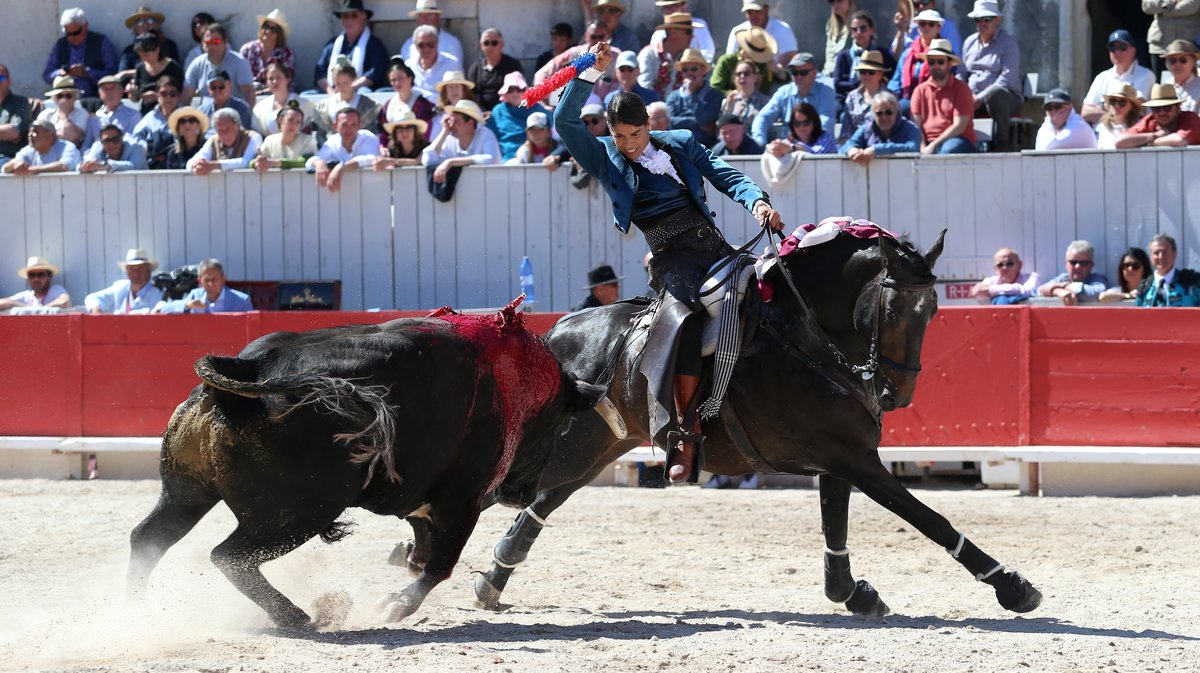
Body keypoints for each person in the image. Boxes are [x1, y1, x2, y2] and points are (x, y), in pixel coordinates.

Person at [555, 41, 783, 484]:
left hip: (714, 247)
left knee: (772, 289)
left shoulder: (679, 142)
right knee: (686, 321)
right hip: (671, 259)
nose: (627, 145)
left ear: (648, 127)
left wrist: (756, 202)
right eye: (619, 137)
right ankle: (684, 432)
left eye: (634, 136)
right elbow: (564, 121)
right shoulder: (605, 157)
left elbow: (725, 174)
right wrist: (588, 70)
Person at [960, 1, 1022, 152]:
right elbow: (961, 73)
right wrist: (961, 92)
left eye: (986, 19)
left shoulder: (1009, 43)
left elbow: (1006, 80)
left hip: (1005, 98)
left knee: (996, 94)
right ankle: (959, 144)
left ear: (997, 20)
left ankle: (1002, 144)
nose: (981, 23)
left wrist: (978, 98)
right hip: (972, 99)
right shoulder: (969, 43)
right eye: (978, 19)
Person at [751, 53, 837, 146]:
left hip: (817, 150)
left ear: (815, 72)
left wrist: (808, 147)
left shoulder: (826, 92)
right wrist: (759, 142)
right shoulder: (784, 92)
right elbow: (763, 117)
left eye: (803, 73)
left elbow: (826, 123)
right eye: (794, 73)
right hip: (787, 151)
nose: (798, 77)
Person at [911, 39, 977, 154]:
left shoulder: (962, 89)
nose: (935, 66)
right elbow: (916, 127)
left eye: (940, 61)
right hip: (929, 142)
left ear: (950, 64)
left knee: (947, 150)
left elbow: (960, 126)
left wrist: (933, 146)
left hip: (959, 140)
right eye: (932, 62)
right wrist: (922, 147)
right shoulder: (919, 90)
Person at [1081, 30, 1157, 124]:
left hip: (1130, 133)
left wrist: (1103, 108)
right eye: (1113, 48)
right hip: (1102, 135)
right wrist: (1118, 109)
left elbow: (1136, 107)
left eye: (1122, 47)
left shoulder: (1146, 75)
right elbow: (1085, 112)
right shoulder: (1102, 77)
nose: (1117, 52)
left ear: (1133, 51)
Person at [315, 0, 390, 94]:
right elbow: (319, 72)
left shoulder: (374, 45)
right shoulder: (332, 45)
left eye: (354, 15)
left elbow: (376, 72)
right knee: (306, 95)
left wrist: (350, 87)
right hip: (333, 92)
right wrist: (330, 91)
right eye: (345, 16)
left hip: (359, 91)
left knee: (364, 92)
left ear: (364, 17)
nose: (349, 20)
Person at [43, 8, 117, 100]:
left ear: (86, 26)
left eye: (76, 33)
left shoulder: (102, 43)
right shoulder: (61, 44)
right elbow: (47, 75)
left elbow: (113, 75)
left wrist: (86, 73)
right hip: (65, 99)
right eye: (68, 34)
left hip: (94, 100)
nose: (71, 37)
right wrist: (62, 73)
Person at [306, 108, 382, 193]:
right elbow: (311, 162)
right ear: (335, 126)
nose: (349, 129)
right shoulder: (333, 141)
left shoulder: (368, 137)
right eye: (344, 125)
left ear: (359, 126)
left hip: (371, 191)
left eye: (353, 124)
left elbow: (373, 158)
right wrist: (319, 163)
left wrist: (342, 167)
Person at [889, 8, 948, 116]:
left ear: (939, 28)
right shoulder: (908, 53)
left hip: (934, 100)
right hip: (907, 100)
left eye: (931, 24)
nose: (926, 27)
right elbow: (896, 81)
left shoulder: (945, 52)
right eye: (922, 24)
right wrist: (891, 99)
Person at [182, 23, 256, 107]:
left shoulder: (239, 62)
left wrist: (247, 116)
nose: (212, 46)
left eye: (216, 42)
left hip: (233, 114)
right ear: (202, 44)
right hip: (206, 113)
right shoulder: (197, 64)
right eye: (208, 42)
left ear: (225, 42)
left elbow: (249, 95)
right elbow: (185, 97)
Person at [832, 11, 896, 107]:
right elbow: (837, 83)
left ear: (871, 30)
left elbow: (894, 76)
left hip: (877, 97)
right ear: (851, 33)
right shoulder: (843, 56)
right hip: (845, 97)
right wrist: (859, 85)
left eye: (863, 28)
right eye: (854, 29)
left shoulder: (882, 54)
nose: (859, 32)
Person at [841, 90, 921, 164]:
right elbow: (845, 146)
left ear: (897, 112)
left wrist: (877, 150)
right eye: (879, 113)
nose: (884, 117)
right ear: (873, 115)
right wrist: (851, 150)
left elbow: (913, 148)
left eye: (888, 112)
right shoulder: (866, 129)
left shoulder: (911, 129)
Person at [488, 72, 552, 161]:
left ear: (525, 90)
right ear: (505, 92)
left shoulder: (537, 108)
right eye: (510, 90)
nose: (515, 94)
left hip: (535, 158)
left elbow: (552, 128)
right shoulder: (497, 111)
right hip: (507, 160)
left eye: (518, 89)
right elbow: (490, 137)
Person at [313, 61, 381, 144]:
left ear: (353, 80)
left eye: (345, 83)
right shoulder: (325, 105)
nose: (342, 87)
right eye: (338, 83)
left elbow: (373, 133)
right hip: (333, 148)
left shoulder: (368, 105)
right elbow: (321, 134)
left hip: (360, 147)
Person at [666, 49, 723, 147]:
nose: (689, 73)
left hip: (706, 147)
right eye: (685, 70)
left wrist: (691, 94)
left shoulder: (715, 95)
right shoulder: (673, 96)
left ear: (703, 70)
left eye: (693, 69)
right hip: (678, 145)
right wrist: (698, 125)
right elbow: (669, 121)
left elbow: (705, 119)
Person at [1115, 83, 1200, 148]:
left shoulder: (1190, 118)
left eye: (1167, 107)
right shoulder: (1150, 120)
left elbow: (1180, 140)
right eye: (1157, 109)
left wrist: (1151, 143)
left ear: (1178, 108)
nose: (1162, 112)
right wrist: (1155, 135)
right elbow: (1119, 141)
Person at [154, 259, 252, 313]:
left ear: (223, 278)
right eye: (207, 280)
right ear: (199, 281)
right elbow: (164, 309)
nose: (211, 284)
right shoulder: (195, 295)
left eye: (214, 279)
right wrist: (187, 305)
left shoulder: (242, 300)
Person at [83, 248, 164, 314]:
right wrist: (96, 307)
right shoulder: (121, 288)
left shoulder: (159, 291)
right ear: (127, 271)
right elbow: (91, 298)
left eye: (140, 269)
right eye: (132, 269)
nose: (136, 273)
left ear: (148, 270)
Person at [377, 57, 436, 144]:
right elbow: (383, 132)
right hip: (393, 151)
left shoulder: (423, 104)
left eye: (400, 78)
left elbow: (426, 131)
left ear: (410, 78)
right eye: (393, 80)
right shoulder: (388, 105)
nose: (397, 83)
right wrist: (383, 147)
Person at [186, 108, 262, 175]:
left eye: (227, 129)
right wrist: (197, 165)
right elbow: (191, 162)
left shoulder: (253, 137)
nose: (224, 134)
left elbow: (245, 162)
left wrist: (214, 165)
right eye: (220, 130)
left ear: (238, 126)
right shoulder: (213, 140)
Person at [724, 1, 798, 69]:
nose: (753, 16)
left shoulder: (782, 30)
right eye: (749, 12)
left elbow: (789, 58)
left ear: (766, 10)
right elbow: (730, 59)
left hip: (777, 80)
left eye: (757, 11)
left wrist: (775, 71)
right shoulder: (737, 31)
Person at [711, 27, 783, 96]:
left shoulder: (765, 64)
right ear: (743, 50)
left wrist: (778, 71)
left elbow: (787, 81)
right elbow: (714, 88)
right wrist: (733, 95)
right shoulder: (727, 61)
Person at [838, 50, 890, 144]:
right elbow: (845, 132)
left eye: (871, 72)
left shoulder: (890, 98)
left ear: (880, 74)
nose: (866, 76)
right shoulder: (852, 97)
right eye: (862, 72)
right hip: (854, 149)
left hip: (880, 148)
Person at [638, 13, 693, 101]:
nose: (692, 36)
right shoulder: (649, 54)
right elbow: (644, 88)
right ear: (673, 33)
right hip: (652, 110)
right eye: (689, 32)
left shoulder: (690, 57)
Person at [127, 32, 184, 115]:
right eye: (141, 56)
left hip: (170, 112)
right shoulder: (140, 68)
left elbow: (181, 93)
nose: (143, 59)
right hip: (147, 113)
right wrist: (133, 93)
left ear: (157, 50)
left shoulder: (173, 67)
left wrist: (159, 96)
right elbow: (135, 98)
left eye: (146, 55)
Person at [468, 28, 524, 113]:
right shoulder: (475, 68)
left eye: (494, 43)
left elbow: (519, 91)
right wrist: (481, 112)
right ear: (481, 46)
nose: (490, 47)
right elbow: (470, 95)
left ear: (502, 45)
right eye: (486, 43)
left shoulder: (512, 65)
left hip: (507, 113)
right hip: (481, 115)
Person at [1037, 241, 1110, 305]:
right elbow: (1037, 291)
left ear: (1091, 265)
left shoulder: (1098, 280)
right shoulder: (1062, 279)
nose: (1077, 266)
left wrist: (1064, 286)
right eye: (1073, 262)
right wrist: (1057, 291)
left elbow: (1093, 293)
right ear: (1066, 264)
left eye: (1083, 263)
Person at [251, 63, 314, 138]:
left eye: (278, 77)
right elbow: (257, 134)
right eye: (271, 79)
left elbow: (307, 132)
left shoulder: (304, 104)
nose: (274, 81)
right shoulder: (260, 107)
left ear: (287, 79)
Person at [1136, 233, 1200, 307]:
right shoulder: (1145, 287)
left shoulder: (1192, 282)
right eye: (1156, 253)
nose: (1161, 257)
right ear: (1150, 257)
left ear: (1175, 254)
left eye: (1165, 252)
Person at [240, 10, 295, 94]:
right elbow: (239, 77)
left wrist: (261, 92)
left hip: (276, 94)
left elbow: (287, 83)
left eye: (273, 29)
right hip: (248, 94)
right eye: (266, 26)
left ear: (279, 34)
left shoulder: (286, 54)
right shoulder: (247, 50)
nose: (268, 31)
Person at [116, 6, 180, 78]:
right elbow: (121, 75)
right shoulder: (129, 51)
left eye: (150, 20)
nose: (146, 25)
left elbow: (175, 70)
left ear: (157, 25)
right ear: (135, 28)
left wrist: (128, 73)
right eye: (140, 22)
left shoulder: (169, 45)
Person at [1, 120, 81, 175]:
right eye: (29, 132)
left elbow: (65, 166)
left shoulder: (67, 147)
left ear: (49, 135)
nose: (30, 135)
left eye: (35, 132)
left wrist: (32, 169)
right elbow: (5, 168)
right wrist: (14, 164)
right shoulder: (28, 150)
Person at [407, 25, 463, 103]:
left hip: (444, 110)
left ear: (437, 43)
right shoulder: (408, 66)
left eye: (430, 44)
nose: (426, 49)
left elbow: (459, 94)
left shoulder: (451, 63)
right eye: (421, 45)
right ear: (415, 46)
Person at [253, 102, 316, 170]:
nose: (294, 125)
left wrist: (277, 163)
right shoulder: (269, 140)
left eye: (298, 122)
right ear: (281, 120)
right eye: (290, 120)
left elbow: (305, 161)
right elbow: (253, 161)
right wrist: (257, 163)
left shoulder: (307, 140)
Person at [1143, 0, 1200, 75]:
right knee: (1161, 84)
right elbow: (1147, 6)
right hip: (1159, 46)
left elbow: (1191, 7)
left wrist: (1162, 12)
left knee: (1191, 82)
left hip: (1186, 45)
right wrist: (1170, 2)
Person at [649, 1, 717, 63]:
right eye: (666, 7)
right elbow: (654, 59)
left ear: (684, 6)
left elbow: (708, 51)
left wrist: (694, 67)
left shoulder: (699, 25)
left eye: (674, 6)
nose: (670, 11)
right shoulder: (658, 34)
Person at [400, 0, 464, 64]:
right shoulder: (408, 45)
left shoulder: (451, 43)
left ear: (438, 18)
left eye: (429, 15)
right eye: (421, 16)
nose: (425, 19)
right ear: (417, 20)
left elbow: (456, 71)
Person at [892, 0, 962, 59]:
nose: (921, 7)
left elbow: (954, 58)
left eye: (925, 3)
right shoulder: (910, 25)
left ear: (933, 3)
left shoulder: (948, 26)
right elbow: (896, 57)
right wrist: (901, 31)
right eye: (916, 5)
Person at [36, 76, 92, 149]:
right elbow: (38, 137)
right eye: (60, 96)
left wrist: (64, 114)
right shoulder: (46, 114)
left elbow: (71, 137)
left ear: (75, 97)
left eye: (68, 96)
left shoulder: (81, 114)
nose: (64, 99)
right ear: (54, 98)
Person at [1034, 89, 1098, 151]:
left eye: (1057, 106)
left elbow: (1047, 148)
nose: (1053, 111)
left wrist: (1048, 121)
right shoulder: (1046, 128)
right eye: (1049, 108)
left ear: (1069, 106)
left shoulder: (1079, 125)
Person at [766, 102, 837, 156]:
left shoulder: (827, 138)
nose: (802, 128)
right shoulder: (788, 142)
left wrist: (792, 149)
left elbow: (817, 157)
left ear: (815, 122)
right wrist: (773, 148)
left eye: (806, 123)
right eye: (797, 124)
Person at [971, 247, 1038, 304]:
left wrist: (991, 289)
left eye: (1009, 264)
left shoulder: (1032, 277)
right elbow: (976, 292)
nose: (1005, 268)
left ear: (1020, 265)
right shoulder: (991, 281)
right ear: (995, 268)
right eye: (1000, 265)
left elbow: (1026, 291)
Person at [0, 257, 71, 310]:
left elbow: (65, 302)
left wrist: (35, 310)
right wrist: (30, 309)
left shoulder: (55, 290)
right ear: (28, 279)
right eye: (32, 275)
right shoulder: (27, 296)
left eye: (40, 274)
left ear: (49, 278)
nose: (36, 279)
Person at [718, 58, 771, 129]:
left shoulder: (766, 102)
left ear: (756, 77)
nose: (742, 77)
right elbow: (722, 129)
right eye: (738, 74)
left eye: (746, 73)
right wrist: (728, 109)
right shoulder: (728, 101)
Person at [0, 64, 32, 170]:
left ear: (9, 80)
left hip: (8, 158)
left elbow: (14, 132)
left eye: (2, 77)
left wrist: (7, 132)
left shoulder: (20, 103)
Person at [79, 123, 148, 173]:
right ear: (101, 142)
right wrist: (84, 167)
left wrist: (106, 165)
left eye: (115, 139)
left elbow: (134, 167)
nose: (111, 144)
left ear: (122, 139)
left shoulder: (136, 147)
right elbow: (83, 164)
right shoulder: (97, 147)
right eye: (107, 141)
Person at [1095, 81, 1145, 150]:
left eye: (1122, 102)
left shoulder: (1140, 126)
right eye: (1113, 101)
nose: (1116, 106)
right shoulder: (1101, 127)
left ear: (1132, 106)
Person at [428, 70, 476, 140]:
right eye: (450, 87)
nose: (454, 90)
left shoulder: (474, 111)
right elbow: (433, 140)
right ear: (445, 92)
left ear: (463, 90)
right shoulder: (438, 116)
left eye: (457, 86)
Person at [1163, 39, 1200, 111]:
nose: (1178, 64)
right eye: (1172, 61)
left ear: (1193, 63)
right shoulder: (1164, 86)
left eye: (1183, 60)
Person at [824, 0, 856, 78]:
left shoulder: (856, 27)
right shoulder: (831, 25)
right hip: (826, 75)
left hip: (844, 77)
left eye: (839, 0)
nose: (835, 4)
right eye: (832, 2)